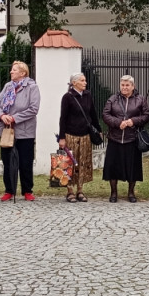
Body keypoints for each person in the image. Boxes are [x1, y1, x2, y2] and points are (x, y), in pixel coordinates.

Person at [0, 61, 39, 202]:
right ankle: (9, 190)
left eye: (14, 70)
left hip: (25, 132)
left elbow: (33, 109)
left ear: (23, 73)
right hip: (7, 131)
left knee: (25, 162)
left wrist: (14, 118)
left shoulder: (32, 87)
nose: (11, 72)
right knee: (7, 162)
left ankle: (27, 191)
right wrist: (2, 115)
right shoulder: (8, 86)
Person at [102, 75, 149, 202]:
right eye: (122, 85)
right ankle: (113, 193)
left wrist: (133, 121)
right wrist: (118, 122)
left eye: (127, 85)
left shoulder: (140, 99)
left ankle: (131, 193)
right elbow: (105, 115)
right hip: (115, 137)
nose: (124, 87)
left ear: (133, 86)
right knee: (113, 167)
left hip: (132, 138)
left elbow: (146, 116)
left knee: (132, 167)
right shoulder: (113, 99)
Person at [58, 72, 97, 202]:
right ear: (74, 83)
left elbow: (92, 113)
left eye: (85, 80)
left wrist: (98, 129)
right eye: (82, 80)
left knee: (83, 162)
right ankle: (70, 191)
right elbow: (63, 118)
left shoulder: (87, 95)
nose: (85, 82)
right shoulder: (67, 97)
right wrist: (62, 137)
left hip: (84, 135)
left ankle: (80, 190)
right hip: (71, 135)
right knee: (69, 163)